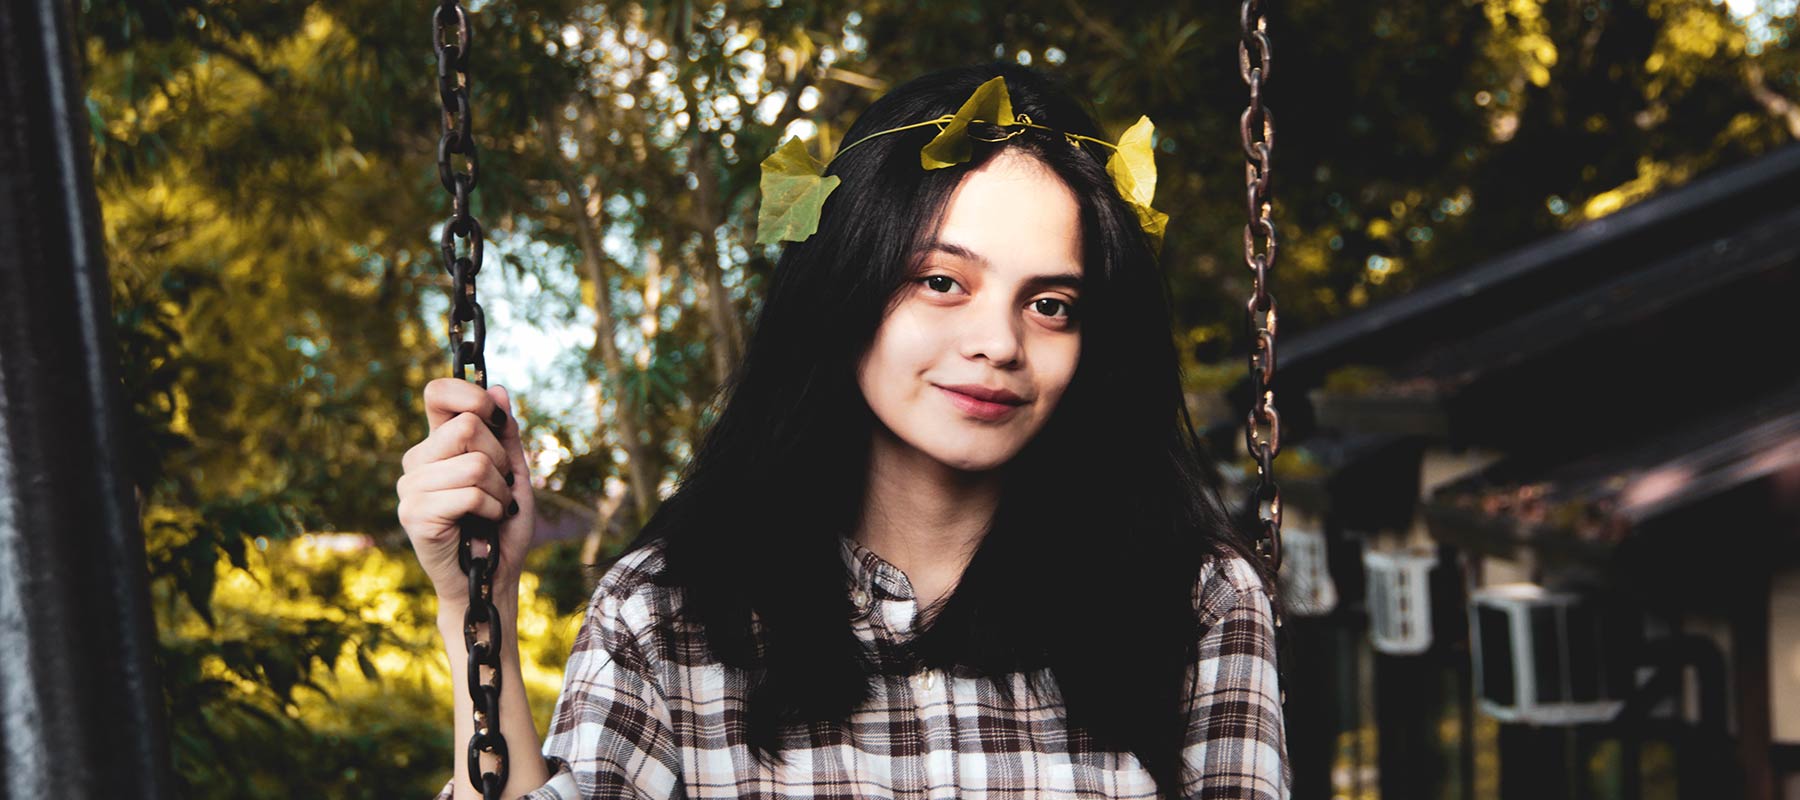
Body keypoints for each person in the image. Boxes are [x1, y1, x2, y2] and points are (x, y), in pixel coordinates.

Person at [397, 62, 1290, 800]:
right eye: (942, 282)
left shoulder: (1195, 602)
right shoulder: (671, 614)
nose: (997, 344)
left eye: (1051, 304)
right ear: (848, 287)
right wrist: (477, 608)